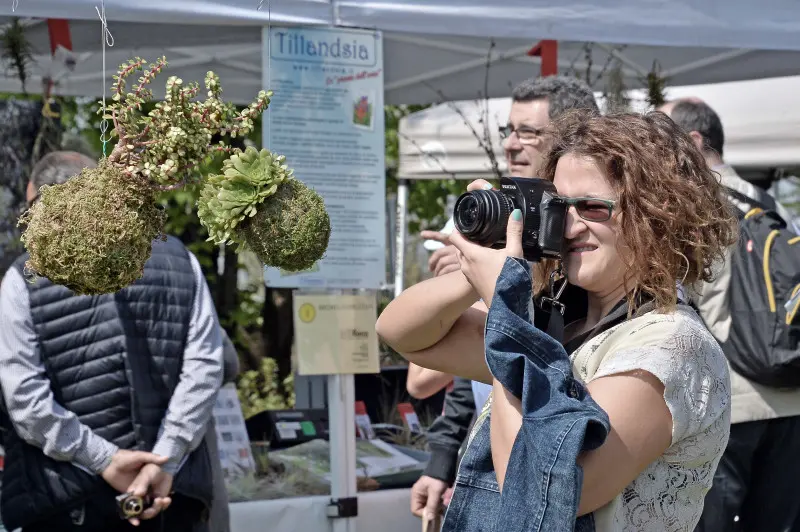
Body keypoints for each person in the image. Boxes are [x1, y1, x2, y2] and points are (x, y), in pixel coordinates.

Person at [377, 110, 737, 530]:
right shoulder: (564, 320)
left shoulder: (671, 347)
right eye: (557, 207)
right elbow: (403, 334)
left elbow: (545, 490)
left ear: (657, 216)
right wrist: (484, 266)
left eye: (591, 207)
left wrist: (507, 315)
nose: (568, 226)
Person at [408, 74, 601, 521]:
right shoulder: (491, 221)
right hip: (490, 473)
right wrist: (441, 461)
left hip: (556, 480)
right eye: (508, 131)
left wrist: (495, 286)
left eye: (528, 132)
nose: (512, 145)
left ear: (571, 136)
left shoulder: (585, 253)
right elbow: (426, 376)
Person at [0, 151, 224, 532]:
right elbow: (205, 367)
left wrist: (105, 460)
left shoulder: (24, 278)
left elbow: (26, 401)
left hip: (71, 501)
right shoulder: (180, 259)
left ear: (35, 201)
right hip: (169, 499)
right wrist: (164, 460)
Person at [659, 98, 800, 531]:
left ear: (694, 141)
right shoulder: (773, 207)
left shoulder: (694, 205)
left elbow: (690, 303)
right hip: (788, 395)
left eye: (661, 139)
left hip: (729, 404)